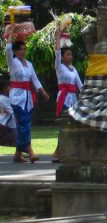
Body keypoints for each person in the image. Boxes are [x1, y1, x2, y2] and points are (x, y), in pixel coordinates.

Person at [5, 32, 49, 163]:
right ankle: (30, 151)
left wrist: (43, 92)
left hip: (28, 98)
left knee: (25, 124)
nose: (23, 51)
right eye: (21, 49)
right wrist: (11, 32)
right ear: (16, 51)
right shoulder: (12, 62)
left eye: (25, 49)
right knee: (24, 123)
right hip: (17, 98)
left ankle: (18, 154)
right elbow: (7, 49)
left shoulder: (29, 64)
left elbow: (34, 80)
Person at [51, 30, 83, 163]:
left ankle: (67, 151)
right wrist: (58, 38)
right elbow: (57, 53)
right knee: (64, 125)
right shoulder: (59, 67)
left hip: (73, 99)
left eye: (71, 54)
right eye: (68, 54)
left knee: (73, 124)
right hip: (64, 98)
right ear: (63, 56)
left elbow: (80, 85)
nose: (71, 56)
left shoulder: (74, 69)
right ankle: (59, 152)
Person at [0, 76, 16, 149]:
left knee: (16, 139)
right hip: (3, 125)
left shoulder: (6, 98)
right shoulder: (3, 99)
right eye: (10, 86)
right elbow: (12, 112)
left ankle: (20, 153)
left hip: (7, 125)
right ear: (4, 88)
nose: (12, 88)